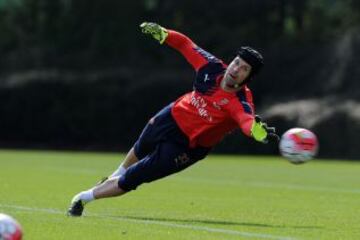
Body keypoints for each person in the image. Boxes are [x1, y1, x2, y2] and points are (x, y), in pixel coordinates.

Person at [67, 22, 279, 216]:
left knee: (133, 178)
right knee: (141, 147)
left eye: (244, 69)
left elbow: (246, 120)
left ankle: (83, 198)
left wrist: (256, 131)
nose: (236, 69)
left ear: (248, 78)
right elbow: (185, 44)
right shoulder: (212, 67)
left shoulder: (240, 100)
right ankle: (113, 175)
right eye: (236, 63)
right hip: (173, 115)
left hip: (188, 147)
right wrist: (164, 34)